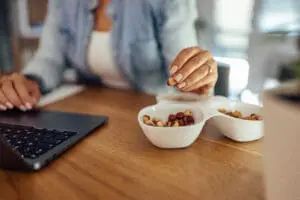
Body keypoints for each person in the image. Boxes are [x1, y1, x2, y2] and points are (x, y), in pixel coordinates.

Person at [0, 0, 218, 111]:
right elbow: (49, 58)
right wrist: (29, 81)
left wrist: (196, 76)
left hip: (153, 115)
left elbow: (182, 61)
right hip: (88, 117)